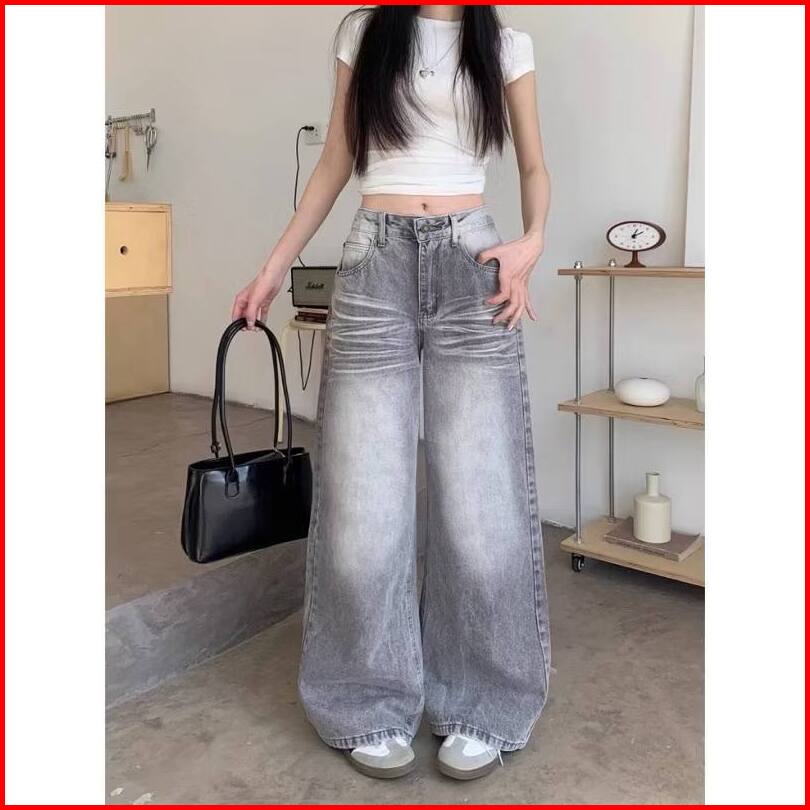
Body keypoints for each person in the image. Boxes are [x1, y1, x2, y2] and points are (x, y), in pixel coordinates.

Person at [232, 4, 551, 781]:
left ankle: (481, 701)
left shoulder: (505, 45)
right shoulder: (366, 31)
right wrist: (275, 267)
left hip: (474, 266)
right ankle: (365, 700)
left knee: (481, 507)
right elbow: (336, 160)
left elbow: (534, 166)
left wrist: (532, 242)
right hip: (375, 264)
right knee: (363, 505)